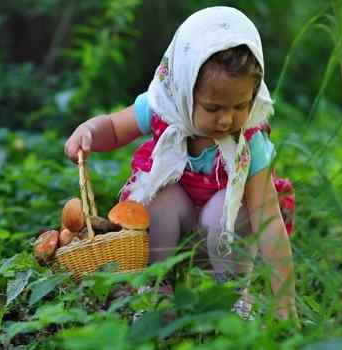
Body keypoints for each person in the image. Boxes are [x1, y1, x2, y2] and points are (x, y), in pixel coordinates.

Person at [64, 6, 297, 321]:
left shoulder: (249, 142)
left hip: (225, 232)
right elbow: (116, 128)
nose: (227, 119)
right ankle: (158, 288)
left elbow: (268, 222)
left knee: (224, 209)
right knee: (161, 197)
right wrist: (89, 131)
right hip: (175, 230)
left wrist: (285, 306)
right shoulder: (165, 106)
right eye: (213, 107)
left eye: (241, 105)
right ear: (185, 89)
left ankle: (231, 295)